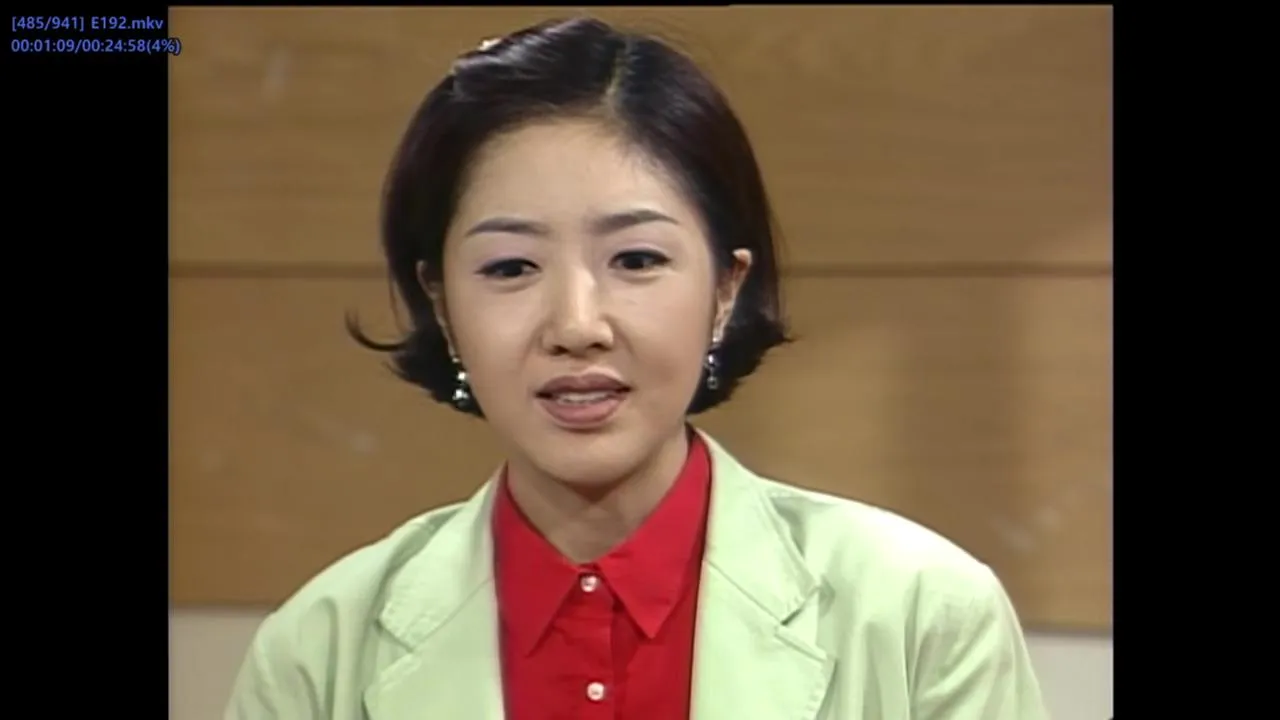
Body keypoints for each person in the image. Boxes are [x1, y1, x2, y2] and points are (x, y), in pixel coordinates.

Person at [224, 16, 1049, 720]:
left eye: (637, 259)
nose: (576, 326)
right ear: (441, 304)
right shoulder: (317, 653)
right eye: (511, 267)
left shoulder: (922, 617)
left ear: (725, 289)